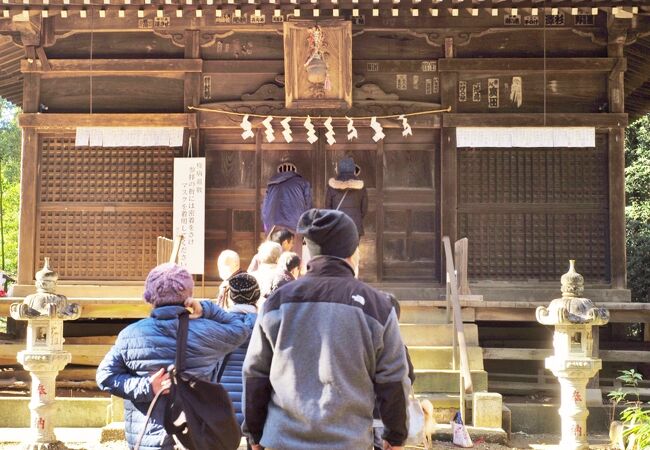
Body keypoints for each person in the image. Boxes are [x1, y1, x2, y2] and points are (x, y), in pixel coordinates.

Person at [243, 209, 409, 450]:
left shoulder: (278, 302)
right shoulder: (377, 307)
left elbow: (255, 373)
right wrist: (395, 436)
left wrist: (254, 434)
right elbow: (394, 379)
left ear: (310, 252)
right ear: (353, 253)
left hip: (283, 439)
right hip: (349, 441)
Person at [96, 262, 255, 450]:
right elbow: (240, 330)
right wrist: (205, 308)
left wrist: (146, 387)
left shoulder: (130, 334)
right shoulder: (207, 332)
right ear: (188, 296)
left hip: (148, 437)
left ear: (149, 296)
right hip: (196, 434)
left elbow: (105, 377)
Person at [219, 273, 260, 430]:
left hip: (222, 400)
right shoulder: (265, 323)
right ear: (256, 296)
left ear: (231, 296)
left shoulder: (220, 323)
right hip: (254, 400)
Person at [261, 162, 312, 235]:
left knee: (274, 245)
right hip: (295, 224)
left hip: (273, 224)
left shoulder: (271, 184)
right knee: (295, 245)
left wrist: (266, 226)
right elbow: (308, 206)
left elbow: (264, 207)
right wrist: (306, 226)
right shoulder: (303, 182)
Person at [326, 157, 368, 237]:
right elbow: (364, 209)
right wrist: (357, 217)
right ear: (353, 169)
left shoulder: (332, 186)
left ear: (339, 169)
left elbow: (328, 208)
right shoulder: (361, 187)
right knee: (354, 249)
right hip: (355, 225)